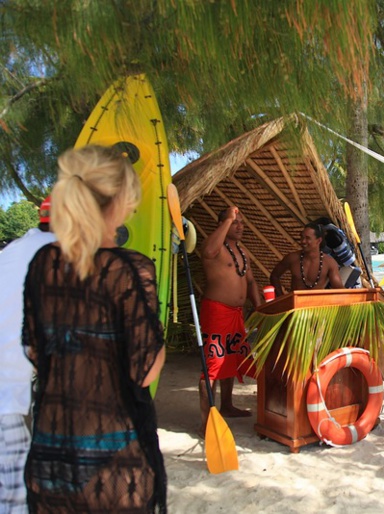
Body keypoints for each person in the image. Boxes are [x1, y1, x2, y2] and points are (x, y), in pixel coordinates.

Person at [22, 145, 167, 512]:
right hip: (115, 455)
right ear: (120, 200)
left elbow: (35, 352)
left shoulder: (42, 264)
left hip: (52, 450)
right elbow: (145, 370)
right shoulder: (129, 268)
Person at [0, 197, 56, 512]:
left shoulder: (16, 249)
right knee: (16, 500)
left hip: (11, 387)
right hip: (9, 394)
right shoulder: (62, 253)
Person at [199, 206, 262, 434]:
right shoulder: (215, 247)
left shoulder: (242, 251)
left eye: (241, 222)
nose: (240, 226)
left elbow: (252, 282)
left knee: (232, 360)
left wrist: (260, 308)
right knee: (213, 364)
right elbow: (206, 252)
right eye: (235, 222)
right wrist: (226, 220)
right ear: (223, 223)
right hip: (216, 312)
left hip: (237, 314)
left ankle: (226, 405)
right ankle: (207, 420)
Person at [269, 223, 344, 296]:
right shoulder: (292, 258)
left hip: (316, 306)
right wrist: (280, 297)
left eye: (307, 238)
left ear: (318, 241)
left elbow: (339, 289)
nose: (303, 241)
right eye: (302, 237)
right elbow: (274, 276)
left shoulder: (329, 262)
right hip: (295, 305)